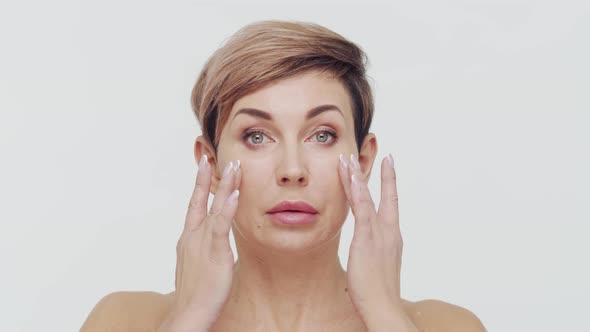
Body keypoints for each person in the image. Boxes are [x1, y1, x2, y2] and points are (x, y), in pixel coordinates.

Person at [80, 20, 487, 332]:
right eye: (257, 136)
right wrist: (188, 318)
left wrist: (384, 314)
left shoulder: (444, 326)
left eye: (322, 135)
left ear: (362, 161)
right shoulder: (125, 319)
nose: (293, 170)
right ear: (212, 162)